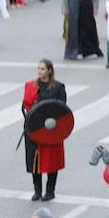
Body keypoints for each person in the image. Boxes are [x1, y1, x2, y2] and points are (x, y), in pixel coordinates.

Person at [21, 59, 66, 201]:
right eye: (38, 69)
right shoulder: (31, 86)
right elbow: (25, 106)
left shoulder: (58, 87)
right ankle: (37, 191)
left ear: (49, 71)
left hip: (51, 130)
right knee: (34, 160)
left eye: (42, 69)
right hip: (35, 128)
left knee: (51, 160)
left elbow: (62, 108)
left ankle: (50, 191)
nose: (39, 72)